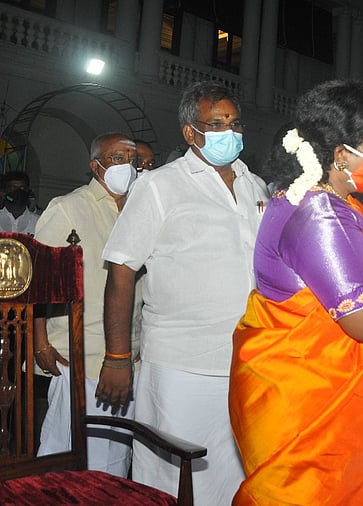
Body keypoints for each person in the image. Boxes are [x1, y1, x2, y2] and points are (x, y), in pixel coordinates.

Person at [228, 80, 363, 504]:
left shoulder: (328, 201)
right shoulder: (317, 212)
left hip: (346, 404)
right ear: (342, 155)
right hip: (319, 418)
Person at [97, 81, 269, 505]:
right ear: (191, 132)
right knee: (172, 478)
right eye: (217, 124)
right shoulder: (159, 185)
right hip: (180, 363)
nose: (230, 132)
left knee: (236, 477)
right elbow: (121, 270)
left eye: (235, 123)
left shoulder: (256, 186)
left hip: (248, 360)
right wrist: (117, 356)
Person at [32, 132, 142, 476]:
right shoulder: (68, 207)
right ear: (96, 167)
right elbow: (38, 280)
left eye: (132, 160)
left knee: (115, 459)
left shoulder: (139, 208)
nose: (127, 166)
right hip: (77, 354)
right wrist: (40, 341)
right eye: (117, 159)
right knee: (70, 459)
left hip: (128, 356)